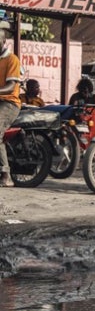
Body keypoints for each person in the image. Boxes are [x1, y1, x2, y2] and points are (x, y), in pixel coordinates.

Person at [0, 21, 22, 187]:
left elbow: (10, 86)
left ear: (3, 42)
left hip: (9, 103)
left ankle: (6, 174)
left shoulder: (12, 59)